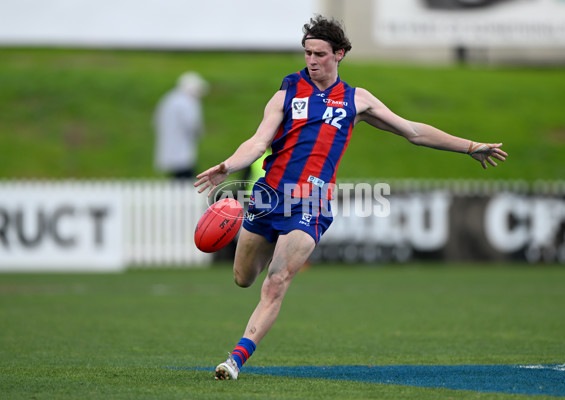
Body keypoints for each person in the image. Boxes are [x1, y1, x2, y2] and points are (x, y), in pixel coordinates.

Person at [194, 15, 507, 380]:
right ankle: (250, 289)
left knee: (276, 281)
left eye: (320, 54)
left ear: (339, 54)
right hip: (268, 196)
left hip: (310, 203)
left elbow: (414, 131)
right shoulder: (286, 94)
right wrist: (229, 165)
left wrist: (469, 147)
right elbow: (259, 142)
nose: (311, 60)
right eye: (307, 53)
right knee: (243, 278)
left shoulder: (356, 100)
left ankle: (235, 360)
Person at [153, 71, 209, 179]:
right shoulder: (187, 101)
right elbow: (192, 123)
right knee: (184, 173)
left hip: (171, 143)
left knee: (177, 173)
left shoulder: (170, 98)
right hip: (183, 146)